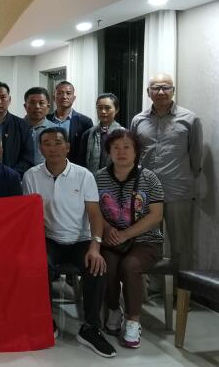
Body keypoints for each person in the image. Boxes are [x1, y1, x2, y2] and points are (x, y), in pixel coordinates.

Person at [23, 127, 115, 358]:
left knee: (97, 267)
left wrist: (95, 246)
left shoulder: (84, 175)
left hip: (79, 239)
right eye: (47, 143)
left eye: (58, 143)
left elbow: (94, 214)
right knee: (36, 265)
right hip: (48, 238)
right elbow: (28, 215)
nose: (53, 148)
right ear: (40, 148)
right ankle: (46, 320)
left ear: (67, 147)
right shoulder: (31, 176)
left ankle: (90, 327)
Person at [95, 129, 164, 349]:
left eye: (127, 147)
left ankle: (133, 321)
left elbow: (156, 215)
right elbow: (92, 210)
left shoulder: (149, 178)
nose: (121, 152)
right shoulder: (98, 178)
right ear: (109, 152)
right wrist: (108, 228)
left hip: (145, 240)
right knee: (106, 265)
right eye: (115, 147)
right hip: (110, 238)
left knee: (131, 265)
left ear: (136, 152)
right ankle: (114, 309)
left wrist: (125, 234)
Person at [130, 73, 203, 272]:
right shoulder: (138, 120)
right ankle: (155, 286)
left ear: (173, 91)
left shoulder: (190, 119)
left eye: (166, 87)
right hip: (146, 194)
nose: (161, 92)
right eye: (155, 88)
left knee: (181, 247)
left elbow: (196, 158)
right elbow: (133, 155)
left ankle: (182, 289)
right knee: (149, 246)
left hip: (178, 193)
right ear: (148, 92)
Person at [47, 81, 93, 166]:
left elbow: (88, 151)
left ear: (74, 98)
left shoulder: (85, 122)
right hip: (48, 166)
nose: (64, 97)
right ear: (54, 97)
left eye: (68, 93)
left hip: (75, 168)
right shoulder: (46, 119)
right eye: (60, 93)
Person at [80, 93, 123, 173]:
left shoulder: (123, 135)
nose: (103, 111)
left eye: (107, 108)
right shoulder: (88, 134)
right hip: (91, 178)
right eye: (99, 108)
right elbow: (82, 162)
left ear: (116, 110)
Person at [23, 86, 55, 165]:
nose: (37, 107)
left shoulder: (56, 130)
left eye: (41, 103)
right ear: (25, 106)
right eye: (32, 103)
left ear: (48, 107)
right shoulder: (15, 127)